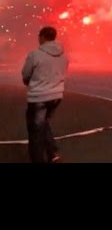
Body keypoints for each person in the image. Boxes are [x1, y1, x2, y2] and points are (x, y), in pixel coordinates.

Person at [21, 26, 69, 163]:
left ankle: (37, 159)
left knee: (35, 130)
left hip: (39, 97)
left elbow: (26, 74)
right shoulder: (63, 55)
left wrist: (29, 83)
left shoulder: (35, 54)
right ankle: (52, 153)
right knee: (44, 122)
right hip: (56, 96)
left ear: (42, 37)